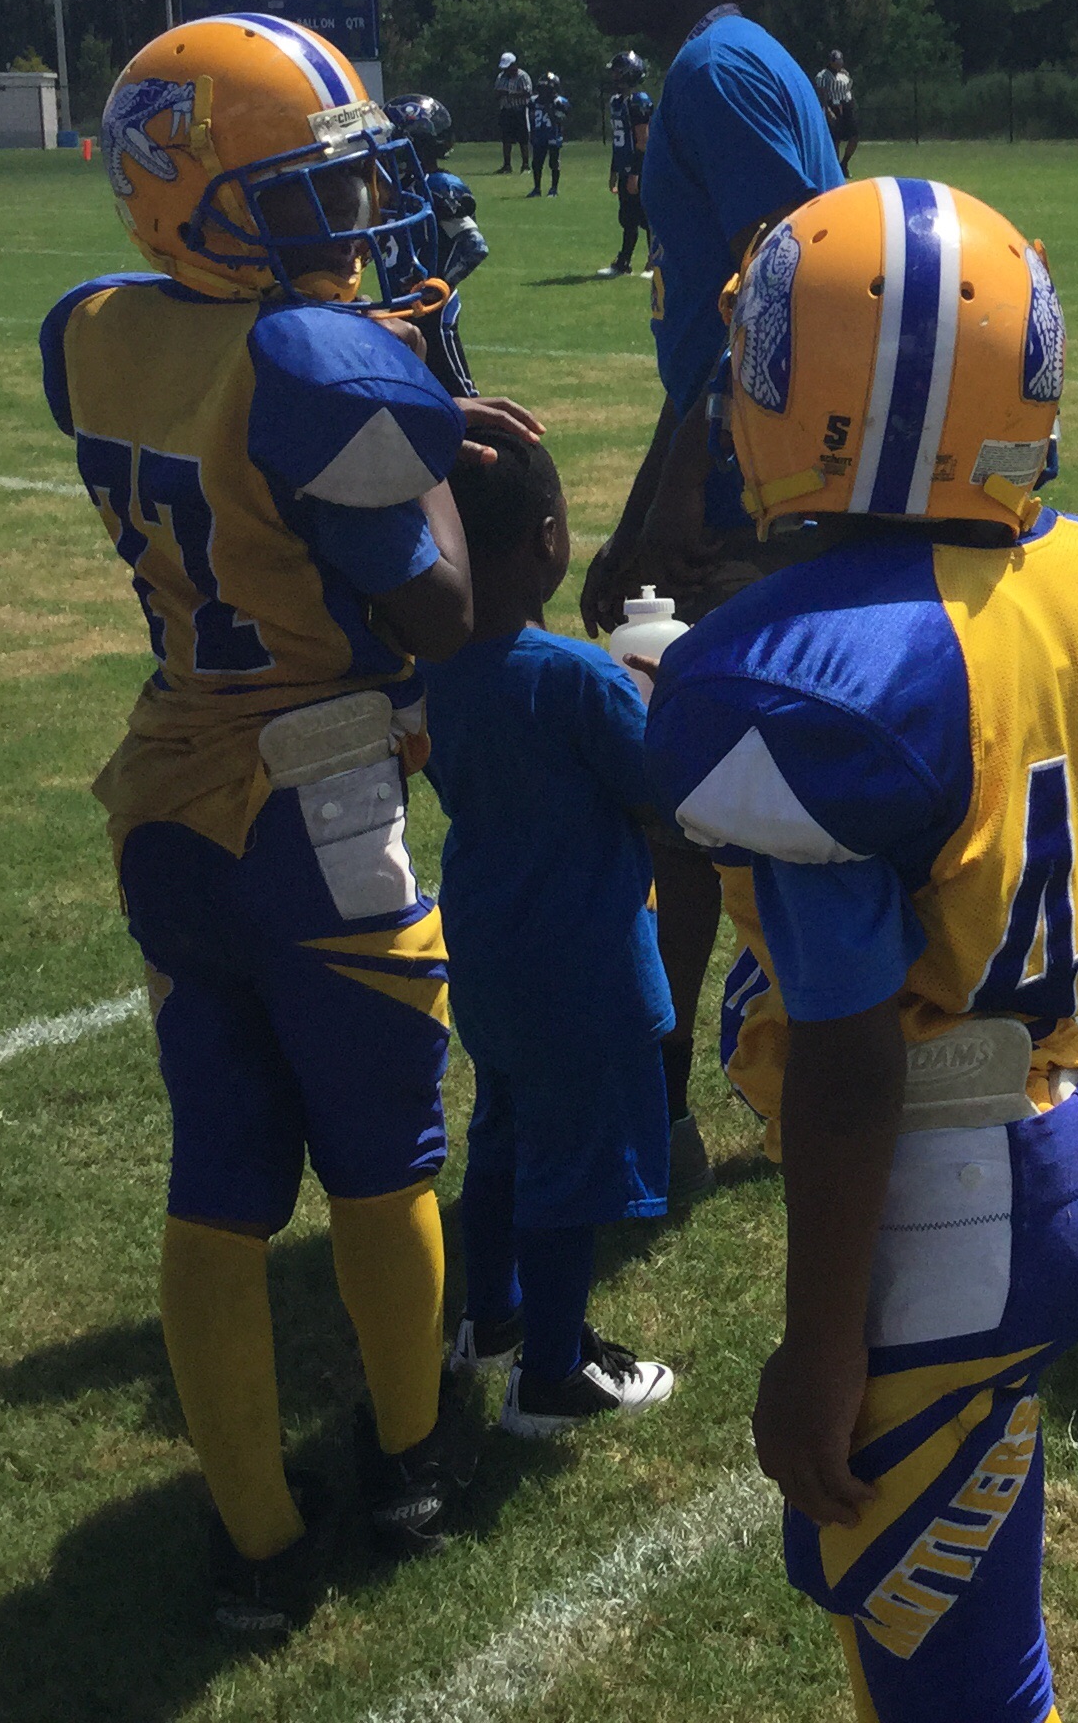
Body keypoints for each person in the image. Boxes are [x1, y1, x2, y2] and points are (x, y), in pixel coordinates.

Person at [645, 176, 1078, 1722]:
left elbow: (844, 1061)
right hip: (1064, 1120)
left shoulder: (812, 687)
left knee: (948, 1682)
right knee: (961, 1634)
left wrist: (818, 1344)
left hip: (936, 1204)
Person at [44, 10, 538, 1632]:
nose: (351, 213)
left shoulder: (91, 330)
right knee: (386, 1154)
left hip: (166, 786)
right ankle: (411, 1456)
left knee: (220, 1169)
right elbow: (440, 609)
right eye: (306, 191)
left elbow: (234, 401)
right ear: (195, 199)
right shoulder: (323, 366)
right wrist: (434, 424)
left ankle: (253, 1538)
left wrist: (366, 352)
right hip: (316, 792)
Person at [572, 0, 844, 1190]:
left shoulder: (715, 72)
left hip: (745, 492)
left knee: (694, 791)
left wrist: (666, 506)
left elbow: (788, 302)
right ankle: (671, 1100)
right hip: (733, 473)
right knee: (688, 793)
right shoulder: (723, 62)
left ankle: (676, 1106)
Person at [419, 423, 682, 1438]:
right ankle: (554, 1375)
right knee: (571, 1170)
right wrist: (655, 693)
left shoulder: (435, 668)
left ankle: (490, 1320)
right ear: (547, 540)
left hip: (489, 947)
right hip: (584, 963)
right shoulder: (577, 678)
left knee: (502, 1134)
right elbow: (659, 791)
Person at [375, 96, 489, 397]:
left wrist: (439, 285)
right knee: (410, 395)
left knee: (458, 395)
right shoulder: (393, 190)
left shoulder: (438, 185)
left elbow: (474, 246)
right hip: (398, 305)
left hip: (432, 310)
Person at [599, 50, 654, 277]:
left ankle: (654, 262)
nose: (614, 77)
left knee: (647, 218)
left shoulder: (639, 101)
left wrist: (635, 173)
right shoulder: (617, 101)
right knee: (627, 218)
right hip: (625, 166)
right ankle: (624, 262)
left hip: (640, 168)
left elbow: (643, 141)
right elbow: (619, 141)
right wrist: (615, 169)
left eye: (617, 72)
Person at [813, 47, 859, 168]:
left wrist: (852, 104)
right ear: (831, 62)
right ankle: (835, 167)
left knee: (854, 136)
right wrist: (827, 110)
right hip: (833, 106)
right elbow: (821, 93)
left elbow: (848, 89)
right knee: (835, 139)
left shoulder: (844, 74)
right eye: (837, 61)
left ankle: (844, 163)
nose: (839, 63)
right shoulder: (822, 76)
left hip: (846, 105)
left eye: (840, 61)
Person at [524, 78, 566, 197]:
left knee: (554, 162)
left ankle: (554, 188)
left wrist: (549, 108)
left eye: (546, 90)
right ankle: (537, 188)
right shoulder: (533, 101)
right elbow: (531, 118)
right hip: (539, 135)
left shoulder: (558, 102)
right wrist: (531, 133)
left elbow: (560, 119)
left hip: (553, 134)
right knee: (536, 163)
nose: (543, 93)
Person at [493, 50, 532, 175]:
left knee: (523, 138)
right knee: (506, 139)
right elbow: (496, 92)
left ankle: (525, 165)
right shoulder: (501, 77)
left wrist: (511, 94)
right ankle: (507, 165)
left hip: (519, 109)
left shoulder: (522, 76)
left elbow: (527, 92)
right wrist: (501, 94)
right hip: (506, 110)